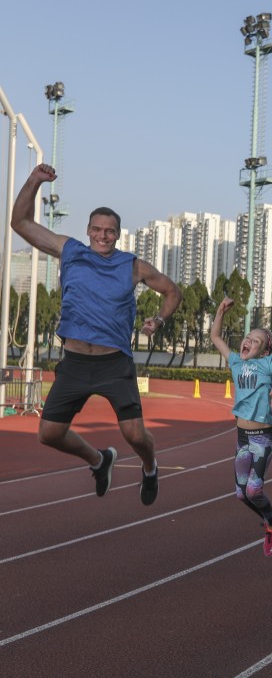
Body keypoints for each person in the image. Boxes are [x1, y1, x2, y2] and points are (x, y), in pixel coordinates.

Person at [11, 164, 181, 505]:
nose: (103, 236)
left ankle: (149, 466)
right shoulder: (69, 251)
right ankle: (100, 459)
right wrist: (33, 181)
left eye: (110, 231)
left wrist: (158, 321)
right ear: (88, 230)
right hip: (74, 362)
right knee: (49, 434)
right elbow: (21, 223)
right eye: (97, 229)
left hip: (113, 362)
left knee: (134, 434)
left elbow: (172, 292)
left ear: (118, 235)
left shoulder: (132, 266)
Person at [211, 297, 272, 557]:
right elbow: (215, 336)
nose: (248, 341)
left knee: (254, 489)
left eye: (255, 341)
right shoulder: (235, 362)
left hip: (262, 438)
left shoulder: (267, 364)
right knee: (241, 495)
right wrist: (220, 310)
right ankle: (271, 518)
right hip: (243, 438)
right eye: (247, 338)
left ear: (264, 351)